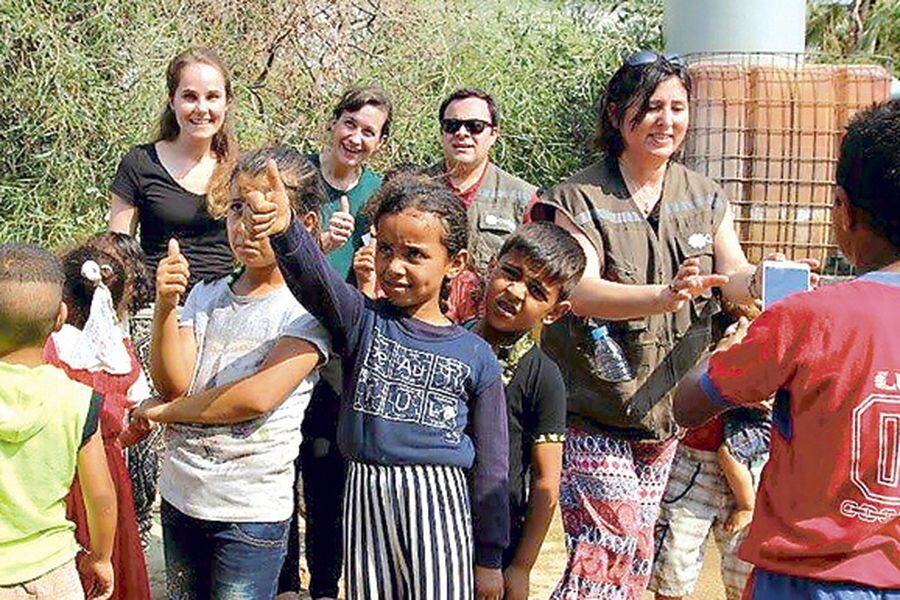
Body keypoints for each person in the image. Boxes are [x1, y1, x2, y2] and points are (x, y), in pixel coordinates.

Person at [530, 51, 816, 599]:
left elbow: (730, 275)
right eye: (651, 107)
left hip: (665, 419)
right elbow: (581, 290)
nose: (667, 120)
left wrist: (762, 280)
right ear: (617, 114)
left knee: (634, 555)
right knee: (608, 549)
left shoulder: (704, 196)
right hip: (594, 411)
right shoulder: (576, 197)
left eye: (678, 107)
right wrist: (663, 297)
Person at [247, 168, 510, 599]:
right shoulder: (364, 322)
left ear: (455, 263)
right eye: (385, 249)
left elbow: (492, 468)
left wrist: (489, 559)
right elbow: (317, 282)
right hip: (366, 499)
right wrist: (285, 230)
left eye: (414, 254)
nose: (395, 266)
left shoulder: (475, 355)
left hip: (438, 506)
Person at [674, 100, 900, 598]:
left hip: (805, 579)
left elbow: (689, 405)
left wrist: (733, 345)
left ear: (843, 206)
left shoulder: (808, 317)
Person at [139, 148, 331, 600]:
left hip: (248, 513)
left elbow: (254, 398)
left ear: (303, 225)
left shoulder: (307, 311)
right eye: (238, 208)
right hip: (182, 496)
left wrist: (165, 413)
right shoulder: (207, 295)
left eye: (263, 210)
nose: (244, 224)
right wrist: (166, 307)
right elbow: (175, 380)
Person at [277, 86, 392, 600]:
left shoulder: (376, 195)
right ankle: (281, 583)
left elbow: (383, 276)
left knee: (327, 472)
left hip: (337, 355)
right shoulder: (295, 176)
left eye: (369, 131)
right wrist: (318, 246)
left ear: (380, 141)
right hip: (282, 335)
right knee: (279, 470)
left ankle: (325, 584)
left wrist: (368, 273)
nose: (356, 137)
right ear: (333, 122)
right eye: (350, 123)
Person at [468, 223, 585, 600]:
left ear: (555, 312)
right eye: (511, 274)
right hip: (435, 522)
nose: (515, 293)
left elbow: (546, 482)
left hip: (499, 536)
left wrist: (521, 566)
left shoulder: (543, 377)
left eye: (536, 291)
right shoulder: (451, 344)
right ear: (491, 265)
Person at [0, 243, 117, 600]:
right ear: (61, 317)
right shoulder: (78, 402)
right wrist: (101, 557)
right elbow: (100, 496)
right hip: (53, 572)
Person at [43, 242, 153, 600]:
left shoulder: (48, 349)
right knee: (109, 560)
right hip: (108, 474)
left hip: (55, 472)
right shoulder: (122, 358)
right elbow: (138, 420)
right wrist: (121, 438)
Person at [649, 302, 772, 600]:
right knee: (673, 564)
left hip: (749, 462)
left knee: (745, 572)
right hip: (694, 461)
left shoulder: (767, 324)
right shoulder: (690, 319)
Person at [108, 46, 237, 296]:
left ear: (226, 103)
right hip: (154, 310)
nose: (202, 108)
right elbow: (117, 252)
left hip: (222, 309)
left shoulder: (240, 170)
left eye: (212, 97)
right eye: (190, 96)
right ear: (172, 100)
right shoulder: (139, 163)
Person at [431, 88, 537, 274]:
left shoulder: (524, 199)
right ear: (442, 132)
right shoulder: (414, 187)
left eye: (475, 126)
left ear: (494, 134)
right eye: (452, 125)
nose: (462, 133)